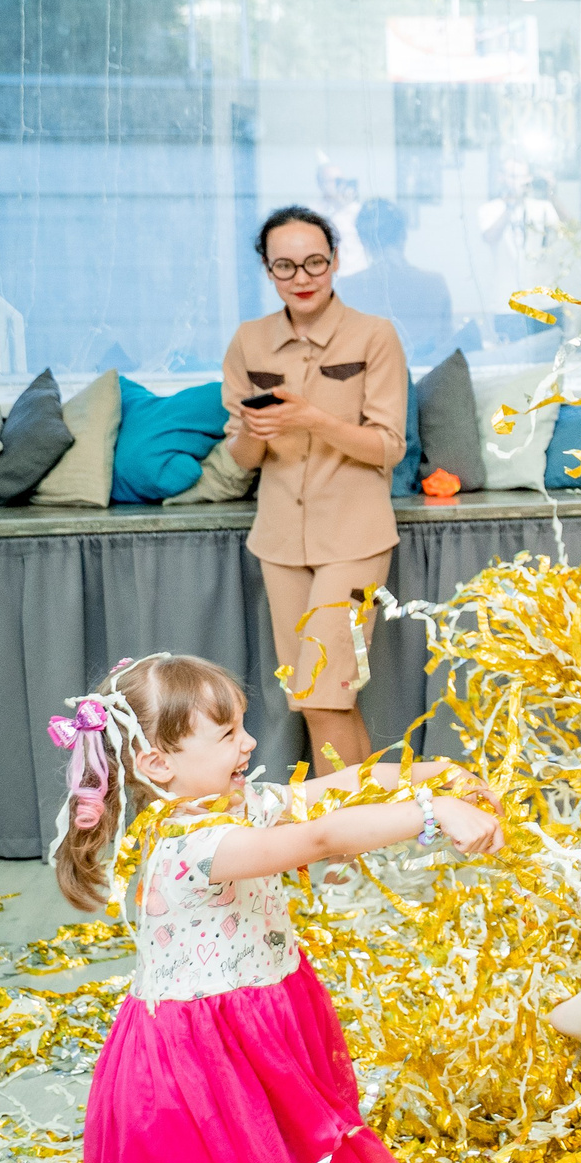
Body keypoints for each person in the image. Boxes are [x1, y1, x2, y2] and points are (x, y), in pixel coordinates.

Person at [51, 653, 500, 1163]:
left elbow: (337, 790)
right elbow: (318, 838)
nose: (250, 742)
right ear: (157, 762)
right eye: (226, 733)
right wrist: (429, 813)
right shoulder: (195, 841)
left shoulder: (234, 805)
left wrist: (429, 775)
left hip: (263, 1032)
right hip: (202, 1068)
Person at [222, 205, 409, 771]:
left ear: (334, 261)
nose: (301, 279)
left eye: (314, 263)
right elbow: (241, 455)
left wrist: (311, 419)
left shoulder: (374, 335)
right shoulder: (249, 341)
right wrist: (255, 431)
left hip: (354, 538)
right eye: (285, 266)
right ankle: (361, 833)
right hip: (278, 541)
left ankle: (340, 838)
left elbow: (388, 447)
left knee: (325, 693)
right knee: (317, 699)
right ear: (267, 269)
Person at [337, 198, 457, 365]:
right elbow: (447, 352)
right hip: (424, 385)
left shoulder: (346, 289)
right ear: (403, 236)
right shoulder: (435, 284)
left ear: (363, 240)